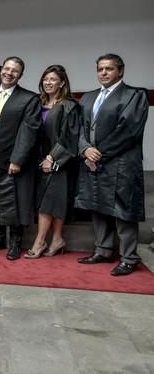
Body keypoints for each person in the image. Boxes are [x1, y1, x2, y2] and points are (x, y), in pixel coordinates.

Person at [75, 54, 149, 276]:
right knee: (97, 206)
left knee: (123, 210)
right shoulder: (87, 98)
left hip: (121, 163)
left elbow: (129, 131)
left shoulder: (134, 95)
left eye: (109, 68)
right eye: (100, 69)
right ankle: (103, 250)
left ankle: (129, 258)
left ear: (121, 71)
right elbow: (77, 128)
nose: (104, 73)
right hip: (92, 161)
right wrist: (85, 149)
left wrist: (98, 154)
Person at [0, 56, 41, 260]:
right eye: (6, 68)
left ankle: (15, 243)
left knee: (14, 200)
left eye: (14, 71)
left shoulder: (29, 99)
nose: (9, 73)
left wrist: (17, 159)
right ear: (0, 70)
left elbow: (29, 131)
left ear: (20, 75)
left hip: (12, 157)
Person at [25, 65, 81, 258]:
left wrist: (52, 157)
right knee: (54, 201)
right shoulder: (38, 103)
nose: (48, 83)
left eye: (53, 79)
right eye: (46, 79)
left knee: (48, 202)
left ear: (62, 83)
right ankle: (57, 239)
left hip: (59, 161)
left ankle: (39, 243)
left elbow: (70, 137)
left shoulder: (69, 106)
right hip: (38, 160)